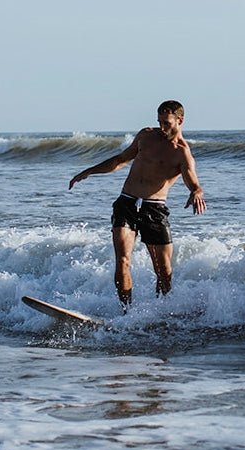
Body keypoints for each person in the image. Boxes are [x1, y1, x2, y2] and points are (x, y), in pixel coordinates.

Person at [68, 100, 206, 309]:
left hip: (155, 209)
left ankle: (162, 313)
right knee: (122, 261)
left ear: (180, 120)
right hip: (127, 203)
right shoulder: (145, 136)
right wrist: (88, 171)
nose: (162, 127)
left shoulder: (181, 152)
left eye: (167, 123)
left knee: (163, 270)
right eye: (159, 121)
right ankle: (127, 312)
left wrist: (196, 192)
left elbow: (192, 180)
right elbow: (120, 160)